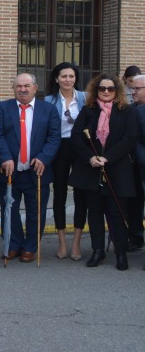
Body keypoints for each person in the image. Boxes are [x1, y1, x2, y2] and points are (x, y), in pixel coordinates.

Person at [69, 74, 138, 270]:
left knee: (117, 213)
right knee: (95, 212)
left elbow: (130, 138)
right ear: (96, 90)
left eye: (110, 88)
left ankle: (121, 253)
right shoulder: (88, 110)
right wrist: (90, 158)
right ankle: (97, 251)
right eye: (102, 88)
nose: (106, 92)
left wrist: (107, 158)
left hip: (117, 169)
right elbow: (76, 136)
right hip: (91, 169)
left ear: (117, 90)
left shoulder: (127, 111)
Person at [0, 73, 61, 263]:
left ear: (35, 88)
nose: (22, 89)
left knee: (35, 212)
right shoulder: (2, 108)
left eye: (26, 86)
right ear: (13, 88)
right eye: (18, 86)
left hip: (37, 172)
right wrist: (5, 157)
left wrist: (44, 158)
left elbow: (54, 138)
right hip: (10, 171)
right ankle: (13, 246)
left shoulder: (49, 110)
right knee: (9, 212)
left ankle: (30, 247)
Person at [45, 62, 87, 260]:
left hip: (81, 148)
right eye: (64, 76)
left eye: (71, 76)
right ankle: (62, 241)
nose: (67, 80)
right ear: (56, 78)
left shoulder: (86, 98)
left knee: (81, 194)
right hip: (58, 148)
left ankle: (77, 242)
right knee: (59, 193)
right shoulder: (48, 101)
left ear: (76, 79)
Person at [129, 74, 145, 253]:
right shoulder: (132, 108)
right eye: (132, 88)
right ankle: (135, 238)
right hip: (132, 168)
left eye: (137, 89)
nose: (132, 92)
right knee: (133, 205)